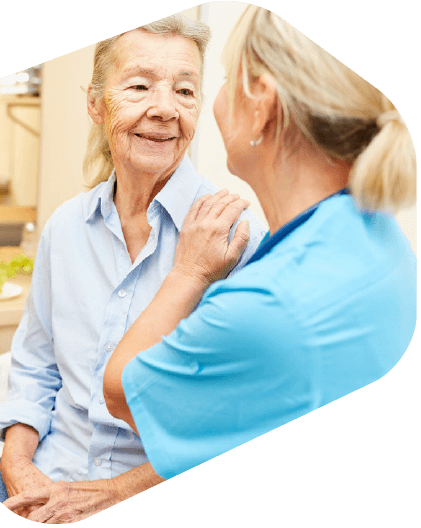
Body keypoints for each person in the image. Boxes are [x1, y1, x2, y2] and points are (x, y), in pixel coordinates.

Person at [103, 5, 417, 480]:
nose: (165, 108)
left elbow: (123, 389)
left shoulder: (265, 294)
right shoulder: (374, 229)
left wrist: (188, 273)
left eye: (215, 82)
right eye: (140, 86)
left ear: (261, 105)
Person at [0, 15, 266, 523]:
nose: (164, 110)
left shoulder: (232, 236)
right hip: (47, 470)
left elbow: (239, 415)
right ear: (95, 103)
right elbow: (35, 367)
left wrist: (114, 491)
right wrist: (17, 464)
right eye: (139, 86)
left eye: (185, 91)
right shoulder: (66, 228)